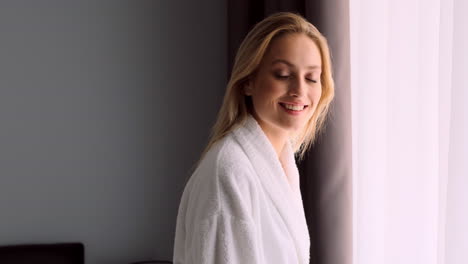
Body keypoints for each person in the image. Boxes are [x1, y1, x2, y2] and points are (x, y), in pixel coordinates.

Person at [173, 12, 334, 264]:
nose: (300, 91)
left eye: (312, 78)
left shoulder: (280, 165)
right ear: (248, 81)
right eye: (282, 74)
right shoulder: (229, 173)